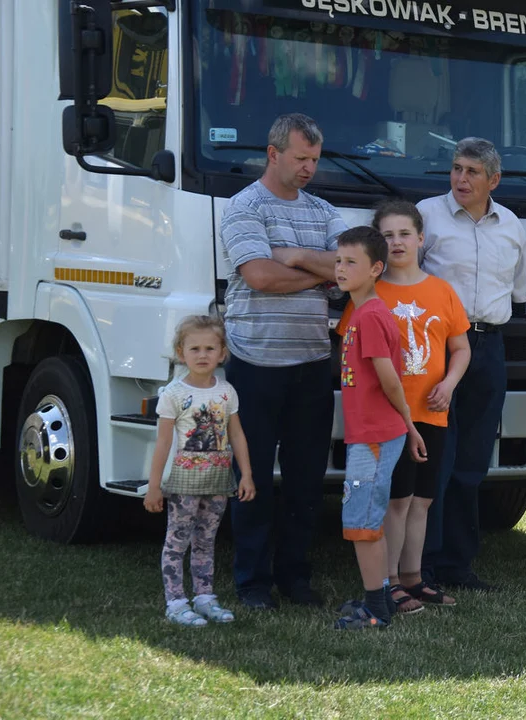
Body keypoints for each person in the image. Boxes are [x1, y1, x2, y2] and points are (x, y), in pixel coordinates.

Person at [220, 113, 345, 610]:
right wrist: (320, 270)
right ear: (273, 154)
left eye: (315, 159)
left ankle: (295, 577)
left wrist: (292, 256)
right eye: (301, 159)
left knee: (305, 478)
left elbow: (351, 269)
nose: (309, 168)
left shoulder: (324, 210)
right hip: (254, 363)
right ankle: (252, 583)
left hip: (313, 362)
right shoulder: (243, 207)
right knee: (250, 477)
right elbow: (260, 278)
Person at [417, 138, 526, 592]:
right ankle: (420, 567)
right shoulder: (426, 215)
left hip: (489, 350)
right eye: (456, 169)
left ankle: (458, 567)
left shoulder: (513, 227)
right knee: (433, 461)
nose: (461, 179)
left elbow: (518, 294)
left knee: (472, 462)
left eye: (472, 172)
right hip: (436, 348)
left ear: (493, 180)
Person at [373, 200, 471, 613]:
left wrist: (449, 384)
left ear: (420, 239)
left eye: (403, 234)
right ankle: (388, 580)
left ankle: (413, 577)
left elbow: (461, 347)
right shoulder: (370, 292)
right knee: (396, 499)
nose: (396, 242)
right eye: (387, 235)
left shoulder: (442, 291)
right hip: (391, 415)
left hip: (432, 412)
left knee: (422, 499)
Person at [333, 227, 426, 630]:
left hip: (373, 437)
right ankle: (379, 599)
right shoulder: (362, 311)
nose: (340, 268)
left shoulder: (371, 315)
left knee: (362, 524)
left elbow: (390, 380)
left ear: (375, 269)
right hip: (369, 434)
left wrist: (408, 424)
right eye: (338, 260)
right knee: (366, 520)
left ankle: (375, 611)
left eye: (350, 262)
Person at [144, 315, 256, 627]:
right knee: (177, 541)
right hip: (184, 482)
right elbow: (163, 443)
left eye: (210, 348)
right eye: (195, 349)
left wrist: (245, 474)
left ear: (222, 353)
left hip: (219, 480)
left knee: (207, 540)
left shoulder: (226, 392)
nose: (203, 355)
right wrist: (155, 487)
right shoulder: (173, 395)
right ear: (181, 353)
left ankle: (205, 598)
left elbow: (236, 435)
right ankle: (176, 602)